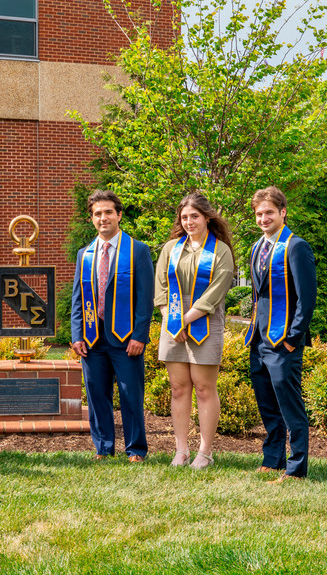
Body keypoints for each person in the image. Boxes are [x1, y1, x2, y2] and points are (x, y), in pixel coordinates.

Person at [70, 190, 154, 462]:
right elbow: (78, 299)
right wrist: (77, 335)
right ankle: (103, 448)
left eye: (108, 212)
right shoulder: (85, 254)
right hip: (92, 338)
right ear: (91, 218)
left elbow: (145, 298)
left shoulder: (137, 250)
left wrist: (140, 335)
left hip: (126, 338)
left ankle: (136, 449)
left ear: (119, 215)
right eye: (97, 213)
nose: (103, 218)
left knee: (131, 396)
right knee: (96, 395)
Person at [154, 193, 235, 469]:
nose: (189, 222)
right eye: (184, 217)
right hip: (173, 324)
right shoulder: (171, 248)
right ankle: (181, 450)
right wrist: (171, 320)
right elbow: (161, 288)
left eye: (194, 216)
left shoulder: (221, 251)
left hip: (205, 324)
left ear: (207, 217)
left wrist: (184, 320)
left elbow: (215, 292)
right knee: (178, 388)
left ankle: (205, 452)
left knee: (203, 388)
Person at [245, 186, 317, 483]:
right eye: (259, 214)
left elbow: (307, 298)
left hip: (283, 340)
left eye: (269, 213)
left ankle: (296, 467)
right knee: (267, 404)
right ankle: (273, 459)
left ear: (283, 212)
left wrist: (292, 338)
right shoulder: (256, 247)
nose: (263, 218)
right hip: (258, 339)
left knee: (290, 406)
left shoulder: (296, 246)